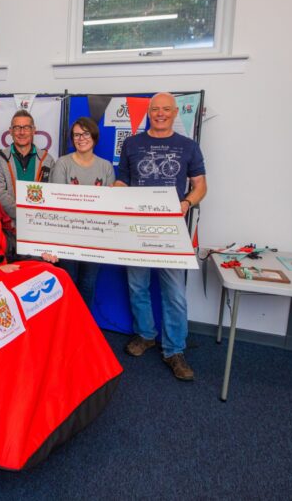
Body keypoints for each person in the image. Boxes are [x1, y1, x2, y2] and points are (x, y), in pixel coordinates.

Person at [114, 92, 207, 381]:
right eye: (156, 109)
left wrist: (186, 203)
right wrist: (116, 195)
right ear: (149, 112)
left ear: (175, 112)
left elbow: (201, 186)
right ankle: (145, 334)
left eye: (166, 109)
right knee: (137, 285)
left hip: (171, 229)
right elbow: (122, 180)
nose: (161, 113)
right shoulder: (132, 143)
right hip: (137, 228)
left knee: (175, 294)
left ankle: (174, 350)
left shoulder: (188, 146)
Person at [49, 117, 115, 310]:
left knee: (88, 284)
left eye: (86, 134)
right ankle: (66, 326)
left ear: (94, 136)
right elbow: (57, 199)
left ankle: (83, 327)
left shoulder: (106, 167)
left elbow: (109, 205)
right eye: (77, 135)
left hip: (95, 237)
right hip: (67, 235)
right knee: (68, 281)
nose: (81, 138)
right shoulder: (62, 164)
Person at [0, 109, 55, 225]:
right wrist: (27, 215)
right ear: (10, 131)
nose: (22, 132)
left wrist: (37, 218)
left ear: (33, 130)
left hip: (40, 225)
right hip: (9, 228)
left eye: (26, 127)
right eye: (17, 128)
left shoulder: (47, 160)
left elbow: (52, 193)